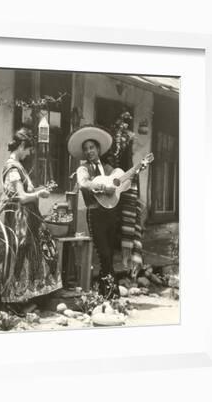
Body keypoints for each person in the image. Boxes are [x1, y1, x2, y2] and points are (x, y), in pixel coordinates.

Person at [1, 127, 61, 304]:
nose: (28, 154)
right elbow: (20, 197)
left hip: (28, 217)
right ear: (20, 146)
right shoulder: (12, 167)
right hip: (21, 219)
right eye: (27, 149)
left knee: (41, 251)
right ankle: (16, 299)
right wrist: (38, 195)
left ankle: (33, 295)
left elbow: (25, 192)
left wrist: (39, 189)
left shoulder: (18, 167)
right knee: (22, 255)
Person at [67, 125, 119, 297]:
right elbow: (83, 183)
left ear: (98, 149)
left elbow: (119, 182)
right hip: (95, 213)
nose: (89, 151)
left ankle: (108, 293)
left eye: (92, 148)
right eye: (86, 149)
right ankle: (109, 293)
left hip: (111, 214)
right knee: (103, 252)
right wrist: (103, 186)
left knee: (110, 253)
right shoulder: (83, 169)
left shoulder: (108, 168)